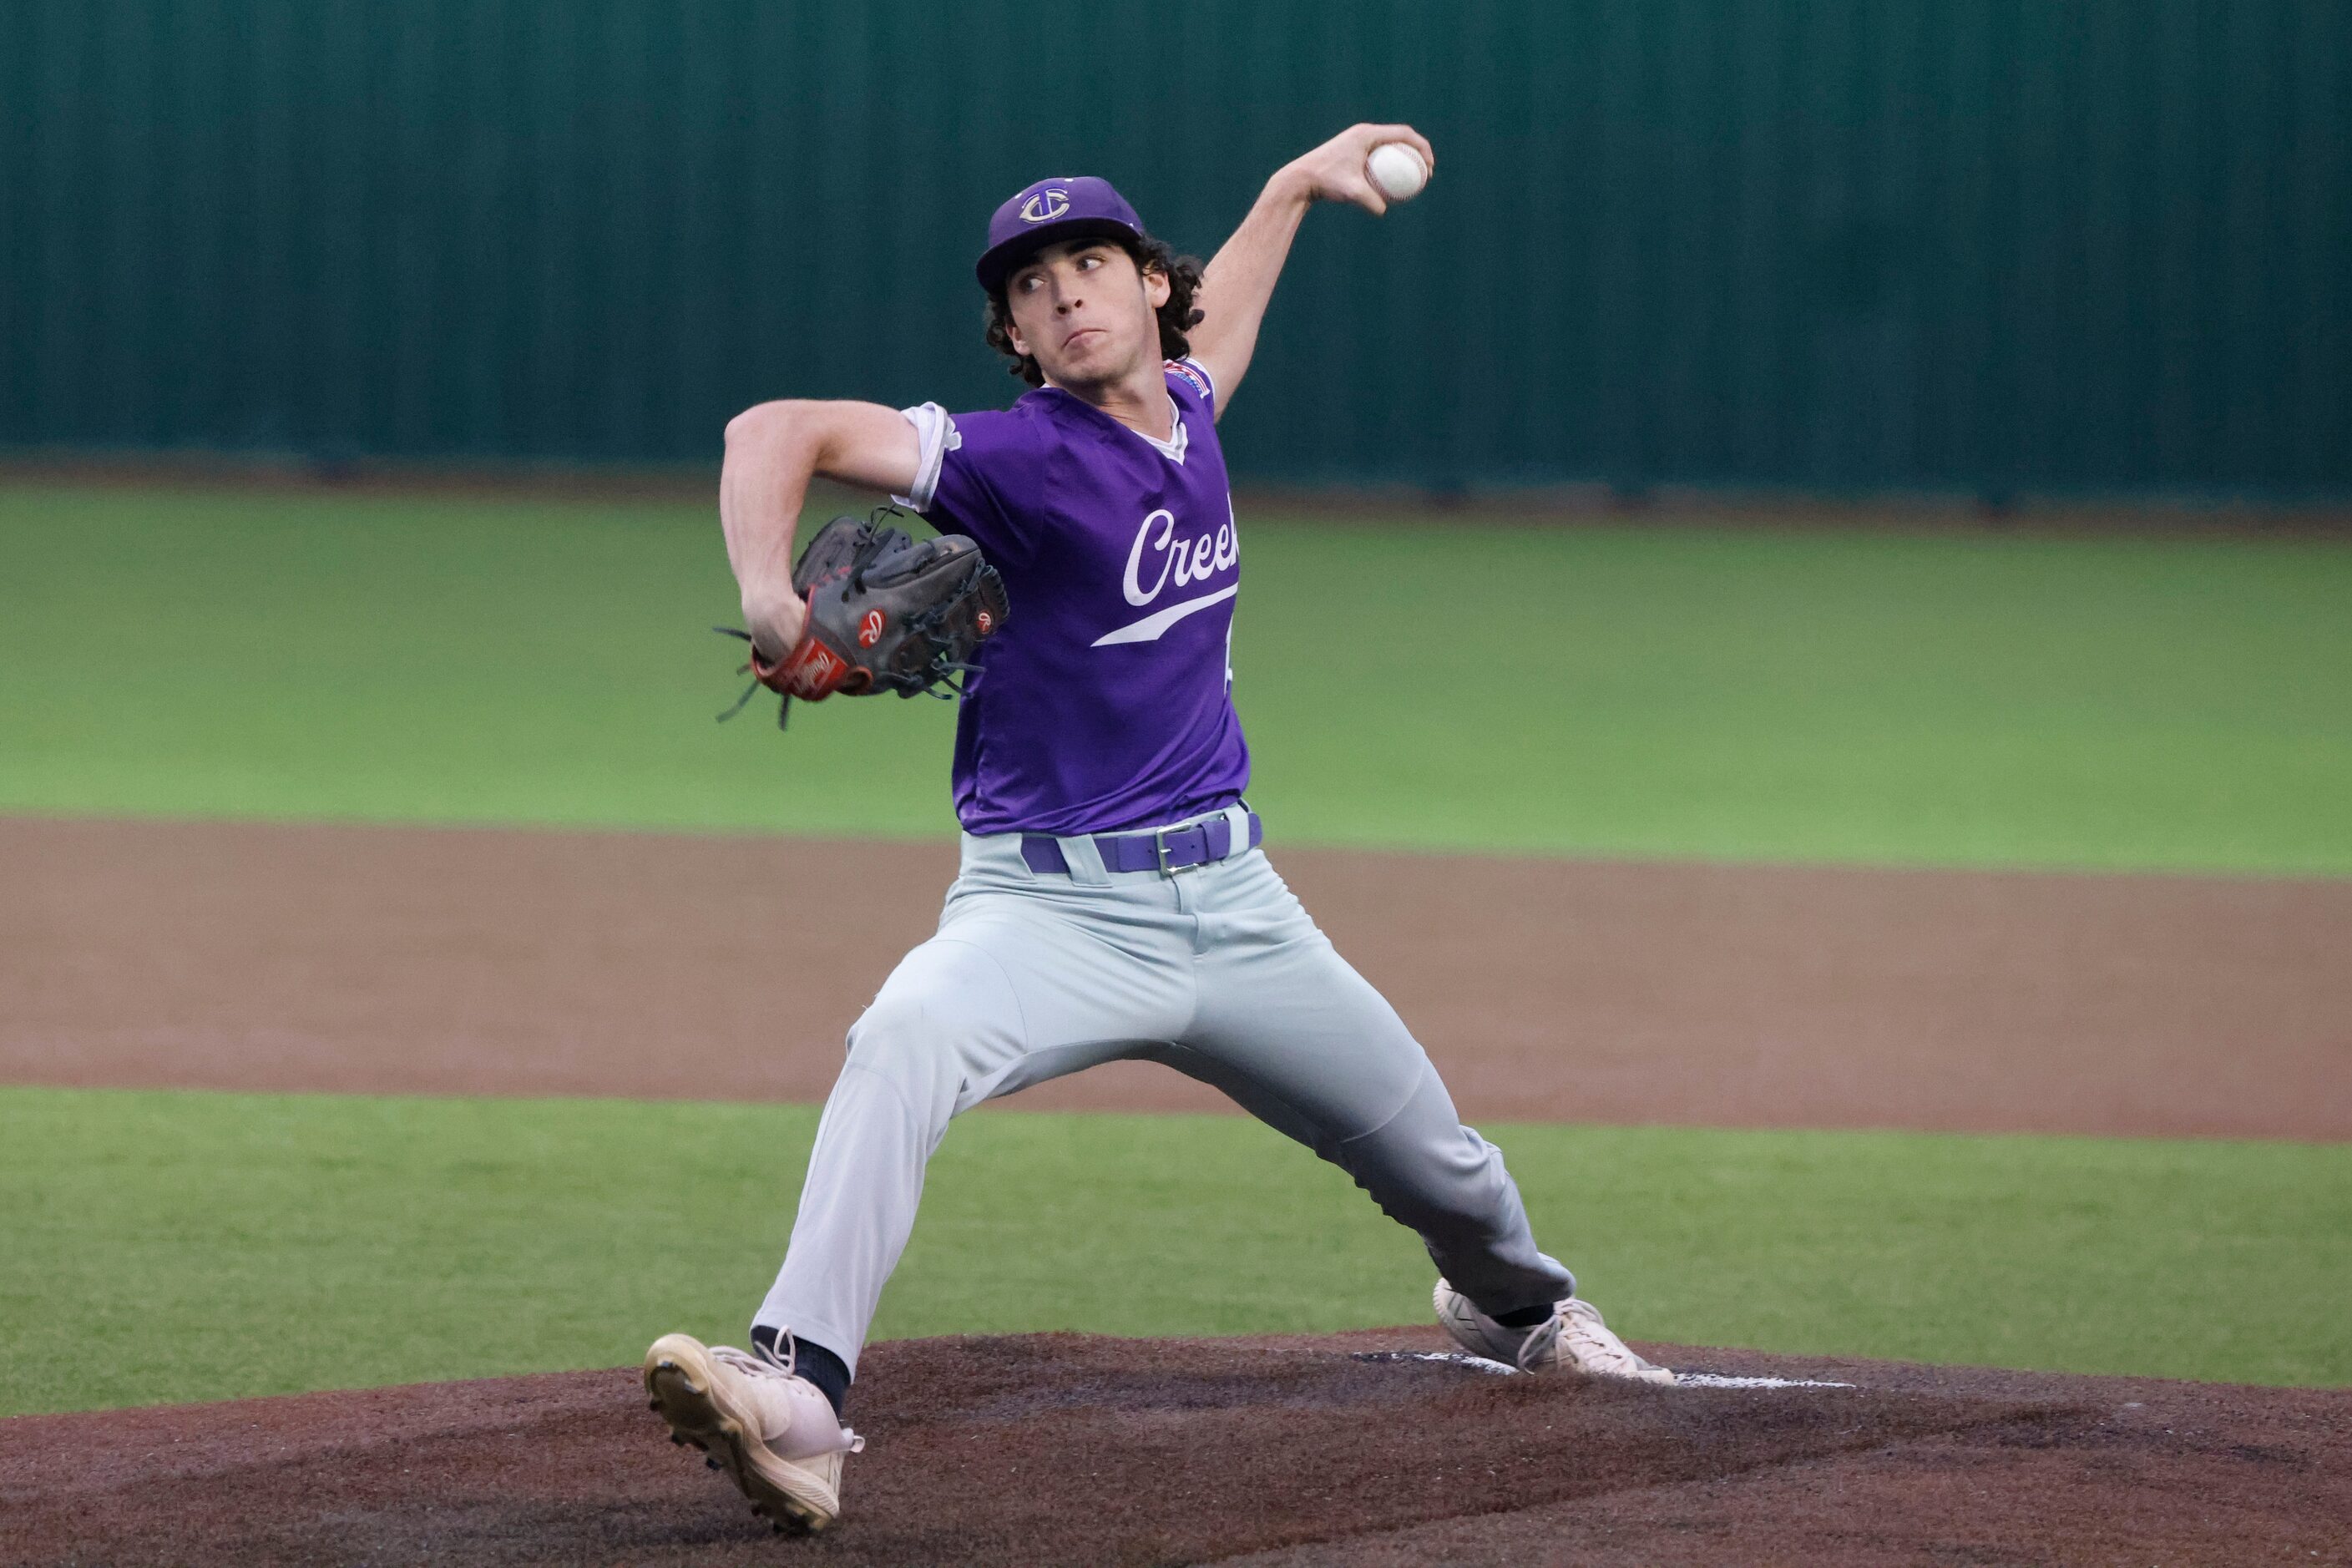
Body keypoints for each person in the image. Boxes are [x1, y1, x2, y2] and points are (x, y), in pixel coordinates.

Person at [642, 122, 1672, 1537]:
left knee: (1440, 1162)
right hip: (1045, 916)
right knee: (901, 1040)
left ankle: (1515, 1308)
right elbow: (775, 431)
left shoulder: (1187, 408)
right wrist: (769, 596)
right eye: (1030, 283)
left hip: (1239, 910)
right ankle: (800, 1390)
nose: (1064, 292)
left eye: (1091, 262)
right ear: (1009, 329)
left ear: (1146, 287)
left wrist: (1289, 188)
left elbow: (1225, 326)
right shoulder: (1009, 459)